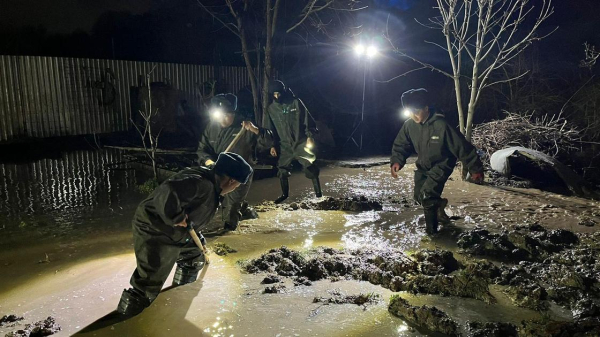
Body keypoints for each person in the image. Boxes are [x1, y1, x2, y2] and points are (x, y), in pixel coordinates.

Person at [117, 152, 253, 316]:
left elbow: (193, 208)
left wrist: (195, 232)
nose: (234, 189)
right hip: (156, 230)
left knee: (194, 257)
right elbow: (168, 190)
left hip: (180, 232)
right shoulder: (201, 183)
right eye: (236, 186)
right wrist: (176, 216)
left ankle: (178, 297)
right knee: (147, 284)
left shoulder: (212, 182)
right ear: (231, 181)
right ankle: (122, 321)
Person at [390, 88, 484, 234]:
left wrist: (475, 169)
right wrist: (397, 161)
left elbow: (462, 147)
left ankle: (432, 233)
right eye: (410, 112)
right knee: (418, 196)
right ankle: (439, 206)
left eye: (417, 111)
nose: (414, 116)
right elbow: (401, 144)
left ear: (426, 108)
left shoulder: (442, 125)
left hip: (442, 164)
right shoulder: (409, 125)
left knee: (428, 196)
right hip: (423, 165)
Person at [197, 93, 273, 231]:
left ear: (233, 113)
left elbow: (269, 142)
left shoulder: (245, 127)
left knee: (231, 206)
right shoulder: (211, 127)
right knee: (213, 201)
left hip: (238, 175)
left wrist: (255, 130)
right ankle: (247, 212)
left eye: (226, 115)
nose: (222, 119)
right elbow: (202, 150)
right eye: (219, 115)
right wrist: (208, 161)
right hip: (218, 171)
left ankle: (228, 232)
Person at [263, 80, 322, 204]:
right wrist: (272, 145)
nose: (276, 96)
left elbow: (307, 119)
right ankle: (285, 195)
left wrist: (309, 135)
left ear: (283, 92)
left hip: (300, 141)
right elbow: (270, 129)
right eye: (274, 94)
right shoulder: (271, 109)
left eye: (278, 93)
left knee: (309, 165)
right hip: (284, 145)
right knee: (282, 170)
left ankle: (318, 194)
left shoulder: (295, 102)